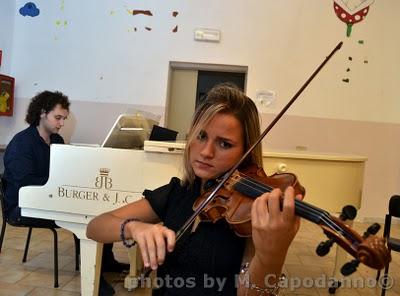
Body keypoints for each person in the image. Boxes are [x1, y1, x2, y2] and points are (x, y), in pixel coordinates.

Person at [86, 83, 303, 295]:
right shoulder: (177, 192)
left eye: (224, 144)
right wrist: (134, 228)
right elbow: (95, 226)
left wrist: (271, 255)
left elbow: (251, 292)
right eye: (201, 136)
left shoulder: (250, 211)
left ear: (246, 151)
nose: (206, 152)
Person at [2, 90, 126, 296]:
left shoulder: (56, 141)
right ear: (42, 113)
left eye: (64, 119)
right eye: (57, 117)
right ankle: (94, 277)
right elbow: (25, 183)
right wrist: (61, 188)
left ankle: (106, 261)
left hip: (48, 198)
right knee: (83, 216)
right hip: (22, 206)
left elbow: (65, 171)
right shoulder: (21, 143)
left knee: (98, 208)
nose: (61, 123)